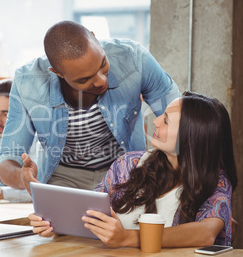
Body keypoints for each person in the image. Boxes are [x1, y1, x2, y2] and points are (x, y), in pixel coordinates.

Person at [0, 20, 180, 193]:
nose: (100, 81)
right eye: (84, 79)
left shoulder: (134, 58)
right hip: (64, 180)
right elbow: (7, 157)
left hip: (124, 173)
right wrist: (22, 178)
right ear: (57, 73)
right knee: (60, 230)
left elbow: (181, 118)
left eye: (102, 64)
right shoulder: (27, 83)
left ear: (94, 38)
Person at [29, 91, 237, 247]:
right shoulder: (128, 165)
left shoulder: (216, 182)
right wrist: (55, 225)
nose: (155, 121)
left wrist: (128, 238)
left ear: (192, 137)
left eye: (166, 120)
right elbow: (88, 212)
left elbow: (206, 232)